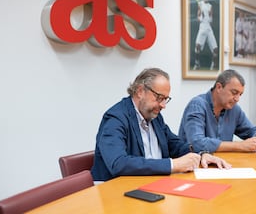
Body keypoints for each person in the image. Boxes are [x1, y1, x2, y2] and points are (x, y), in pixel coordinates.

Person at [91, 68, 231, 181]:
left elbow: (175, 145)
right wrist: (172, 165)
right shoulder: (116, 118)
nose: (163, 105)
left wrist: (201, 155)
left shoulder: (154, 116)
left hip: (152, 185)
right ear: (140, 91)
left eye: (165, 99)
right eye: (159, 98)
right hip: (116, 193)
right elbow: (118, 164)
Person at [178, 69, 256, 153]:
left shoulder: (233, 109)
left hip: (222, 164)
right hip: (193, 166)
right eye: (234, 93)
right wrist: (240, 145)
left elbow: (251, 130)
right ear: (219, 87)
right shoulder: (197, 105)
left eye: (240, 94)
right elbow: (197, 143)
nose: (237, 99)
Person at [193, 0, 219, 71]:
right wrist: (201, 15)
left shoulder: (210, 6)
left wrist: (207, 15)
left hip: (209, 28)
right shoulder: (200, 4)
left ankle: (213, 66)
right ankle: (197, 64)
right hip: (202, 27)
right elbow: (198, 18)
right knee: (197, 46)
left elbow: (211, 19)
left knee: (215, 49)